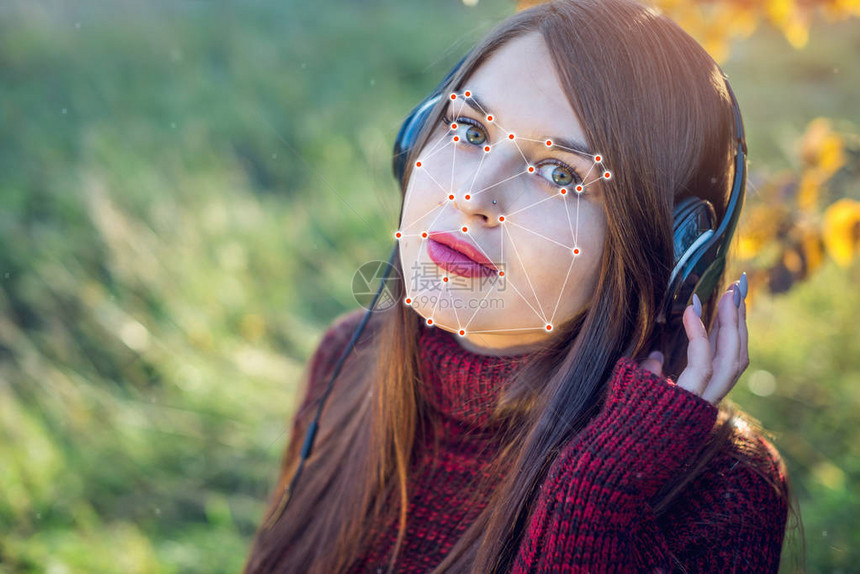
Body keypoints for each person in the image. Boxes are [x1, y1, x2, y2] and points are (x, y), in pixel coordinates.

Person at [244, 0, 801, 572]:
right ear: (415, 139)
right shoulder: (348, 362)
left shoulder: (725, 490)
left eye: (561, 174)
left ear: (674, 253)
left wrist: (597, 497)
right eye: (467, 128)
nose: (473, 197)